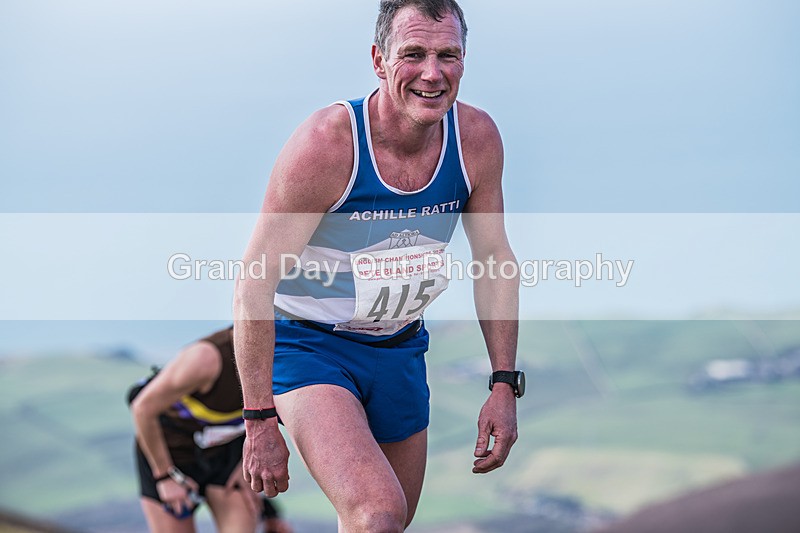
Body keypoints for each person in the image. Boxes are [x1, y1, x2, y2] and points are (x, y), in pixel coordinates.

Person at [233, 1, 522, 531]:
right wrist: (257, 418)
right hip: (311, 347)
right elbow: (254, 282)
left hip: (400, 347)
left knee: (390, 521)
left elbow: (494, 259)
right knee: (377, 514)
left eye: (448, 55)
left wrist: (503, 382)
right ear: (378, 60)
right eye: (413, 54)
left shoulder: (476, 139)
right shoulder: (327, 144)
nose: (432, 73)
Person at [130, 326, 292, 533]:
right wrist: (164, 477)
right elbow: (142, 409)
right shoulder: (206, 359)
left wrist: (246, 463)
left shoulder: (291, 356)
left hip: (226, 451)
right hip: (170, 454)